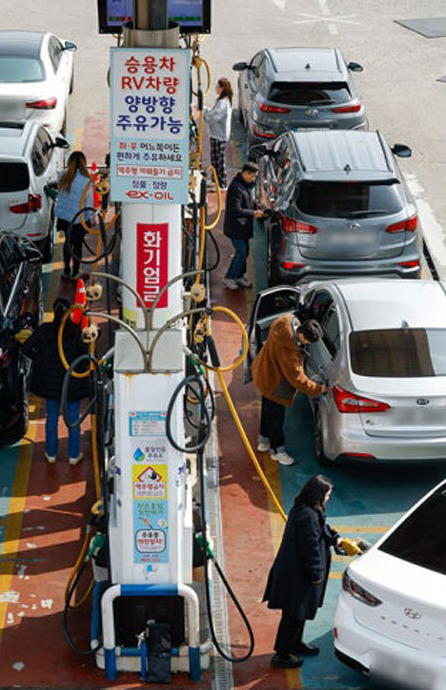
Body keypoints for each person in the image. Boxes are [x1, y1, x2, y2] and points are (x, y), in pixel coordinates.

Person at [263, 475, 348, 668]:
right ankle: (282, 654)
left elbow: (321, 528)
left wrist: (334, 537)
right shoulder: (307, 516)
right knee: (293, 615)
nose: (328, 498)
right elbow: (310, 548)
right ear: (319, 495)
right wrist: (316, 574)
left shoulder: (305, 510)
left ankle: (295, 644)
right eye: (327, 495)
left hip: (296, 575)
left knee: (298, 614)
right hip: (298, 578)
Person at [23, 297, 92, 464]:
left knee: (51, 418)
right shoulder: (76, 332)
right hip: (72, 384)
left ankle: (51, 454)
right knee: (73, 420)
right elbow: (86, 358)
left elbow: (26, 347)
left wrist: (40, 359)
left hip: (50, 384)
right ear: (69, 312)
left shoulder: (44, 330)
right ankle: (74, 455)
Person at [252, 315, 328, 465]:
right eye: (307, 342)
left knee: (267, 409)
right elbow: (298, 379)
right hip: (274, 384)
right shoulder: (289, 352)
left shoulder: (285, 321)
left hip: (263, 372)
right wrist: (319, 389)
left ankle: (264, 441)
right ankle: (277, 451)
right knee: (276, 417)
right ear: (303, 336)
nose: (306, 345)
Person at [51, 151, 94, 281]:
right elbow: (89, 203)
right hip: (78, 219)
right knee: (77, 246)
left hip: (64, 217)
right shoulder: (86, 181)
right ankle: (76, 272)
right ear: (84, 163)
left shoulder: (63, 176)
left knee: (67, 244)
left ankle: (66, 271)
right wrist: (92, 220)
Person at [222, 161, 263, 290]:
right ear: (245, 173)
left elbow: (248, 202)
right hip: (236, 227)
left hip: (243, 227)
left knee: (244, 252)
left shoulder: (245, 185)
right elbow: (236, 210)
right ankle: (229, 277)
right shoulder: (236, 188)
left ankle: (239, 275)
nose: (253, 179)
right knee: (241, 252)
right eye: (252, 176)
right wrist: (254, 213)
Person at [204, 78, 233, 188]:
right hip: (218, 134)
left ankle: (221, 183)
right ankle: (216, 181)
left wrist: (205, 113)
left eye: (217, 86)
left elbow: (213, 117)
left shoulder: (223, 103)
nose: (216, 88)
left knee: (219, 160)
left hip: (219, 135)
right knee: (216, 159)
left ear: (222, 88)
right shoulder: (224, 101)